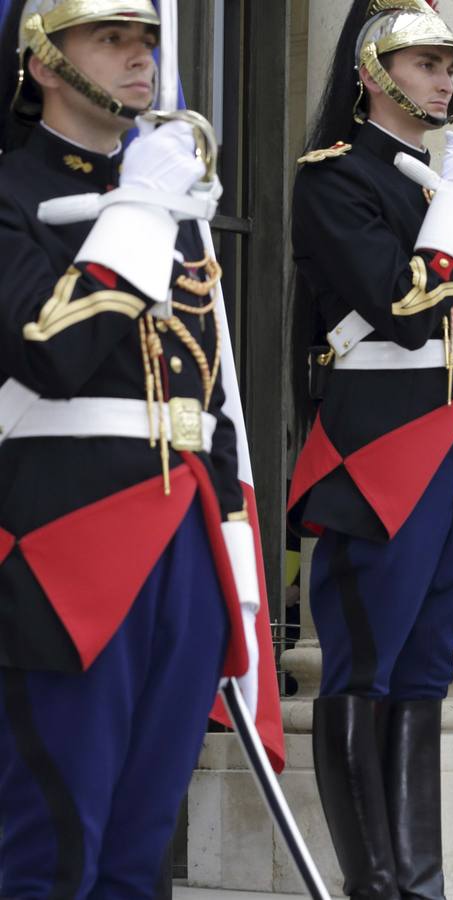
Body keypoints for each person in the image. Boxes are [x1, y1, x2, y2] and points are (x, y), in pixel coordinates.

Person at [0, 1, 262, 896]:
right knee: (52, 836)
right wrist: (141, 208)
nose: (139, 59)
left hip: (183, 541)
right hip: (66, 544)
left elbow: (208, 395)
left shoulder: (165, 204)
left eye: (145, 40)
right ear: (43, 62)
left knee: (142, 842)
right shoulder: (13, 192)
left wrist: (238, 568)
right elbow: (51, 347)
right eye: (109, 39)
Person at [286, 3, 453, 897]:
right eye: (425, 64)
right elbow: (396, 300)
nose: (443, 80)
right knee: (365, 663)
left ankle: (416, 879)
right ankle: (373, 883)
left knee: (426, 670)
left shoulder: (434, 187)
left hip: (452, 443)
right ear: (376, 74)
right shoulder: (334, 177)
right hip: (376, 446)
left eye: (446, 65)